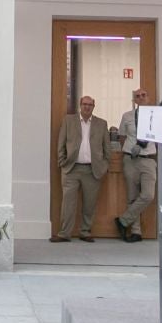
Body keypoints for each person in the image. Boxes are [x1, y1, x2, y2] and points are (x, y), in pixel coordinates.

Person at [55, 95, 109, 243]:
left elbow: (107, 149)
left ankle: (85, 232)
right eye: (84, 104)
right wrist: (62, 161)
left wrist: (103, 166)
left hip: (92, 170)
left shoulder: (101, 124)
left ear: (93, 106)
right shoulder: (69, 121)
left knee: (89, 204)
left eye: (90, 105)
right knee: (68, 203)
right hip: (71, 169)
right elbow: (61, 143)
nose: (87, 107)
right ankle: (64, 233)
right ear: (80, 105)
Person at [111, 88, 160, 242]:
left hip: (149, 159)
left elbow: (159, 136)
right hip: (130, 160)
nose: (141, 98)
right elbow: (122, 137)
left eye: (143, 95)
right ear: (134, 101)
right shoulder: (127, 116)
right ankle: (136, 232)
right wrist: (128, 149)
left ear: (149, 97)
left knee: (148, 195)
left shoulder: (156, 115)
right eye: (137, 96)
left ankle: (123, 220)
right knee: (132, 197)